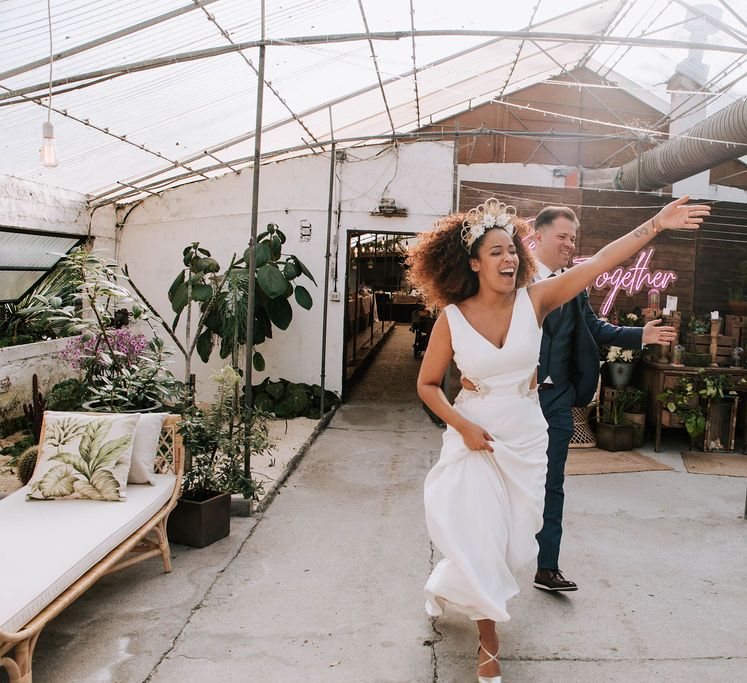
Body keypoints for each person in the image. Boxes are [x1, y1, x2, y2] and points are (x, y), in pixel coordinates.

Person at [409, 196, 708, 682]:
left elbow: (600, 262)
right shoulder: (452, 318)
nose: (509, 259)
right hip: (473, 436)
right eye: (496, 252)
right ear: (473, 263)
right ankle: (489, 645)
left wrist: (655, 223)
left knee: (512, 548)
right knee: (480, 534)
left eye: (512, 250)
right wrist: (461, 425)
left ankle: (453, 585)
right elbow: (426, 384)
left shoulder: (537, 299)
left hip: (525, 435)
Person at [530, 206, 677, 593]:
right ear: (539, 236)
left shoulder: (575, 285)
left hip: (558, 399)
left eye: (573, 238)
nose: (569, 244)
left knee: (553, 484)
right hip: (516, 401)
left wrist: (639, 336)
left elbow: (595, 328)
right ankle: (491, 561)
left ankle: (547, 568)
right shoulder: (514, 279)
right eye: (562, 236)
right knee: (503, 482)